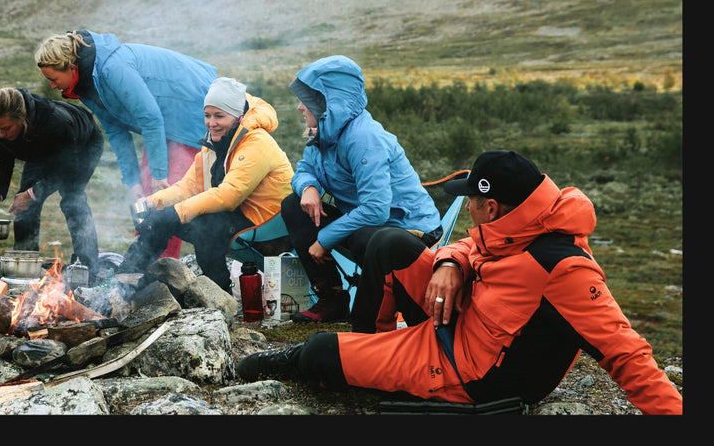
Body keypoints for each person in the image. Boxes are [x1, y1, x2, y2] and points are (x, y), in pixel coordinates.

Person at [237, 150, 684, 415]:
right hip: (459, 325)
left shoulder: (564, 270)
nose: (466, 207)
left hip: (469, 373)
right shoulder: (523, 222)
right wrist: (450, 262)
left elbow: (627, 353)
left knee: (318, 351)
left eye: (470, 199)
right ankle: (370, 349)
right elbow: (475, 245)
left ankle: (305, 360)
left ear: (491, 208)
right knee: (389, 242)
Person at [280, 55, 441, 327]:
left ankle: (378, 314)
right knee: (294, 205)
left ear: (328, 103)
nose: (299, 107)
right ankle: (332, 298)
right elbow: (304, 167)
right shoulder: (323, 132)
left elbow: (376, 210)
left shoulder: (364, 138)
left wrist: (324, 239)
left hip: (411, 231)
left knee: (364, 238)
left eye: (306, 100)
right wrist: (308, 187)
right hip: (367, 223)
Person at [35, 30, 217, 259]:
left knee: (166, 198)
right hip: (164, 123)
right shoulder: (86, 86)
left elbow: (150, 118)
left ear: (71, 68)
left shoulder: (113, 69)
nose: (53, 86)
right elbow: (115, 130)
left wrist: (159, 175)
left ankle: (162, 270)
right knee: (146, 199)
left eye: (53, 79)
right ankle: (143, 263)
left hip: (191, 113)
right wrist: (133, 182)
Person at [119, 77, 295, 294]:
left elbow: (229, 195)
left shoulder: (256, 142)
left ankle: (220, 293)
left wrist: (176, 213)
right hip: (241, 218)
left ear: (238, 117)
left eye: (219, 116)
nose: (211, 123)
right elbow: (188, 186)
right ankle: (128, 277)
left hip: (271, 228)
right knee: (160, 218)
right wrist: (152, 203)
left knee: (204, 225)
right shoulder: (216, 141)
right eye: (207, 115)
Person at [0, 87, 105, 274]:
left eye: (6, 128)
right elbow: (2, 163)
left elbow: (67, 171)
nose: (1, 134)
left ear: (22, 117)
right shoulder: (0, 126)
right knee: (25, 207)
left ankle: (88, 267)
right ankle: (25, 268)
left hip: (82, 144)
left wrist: (32, 193)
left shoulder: (56, 123)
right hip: (39, 150)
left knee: (72, 197)